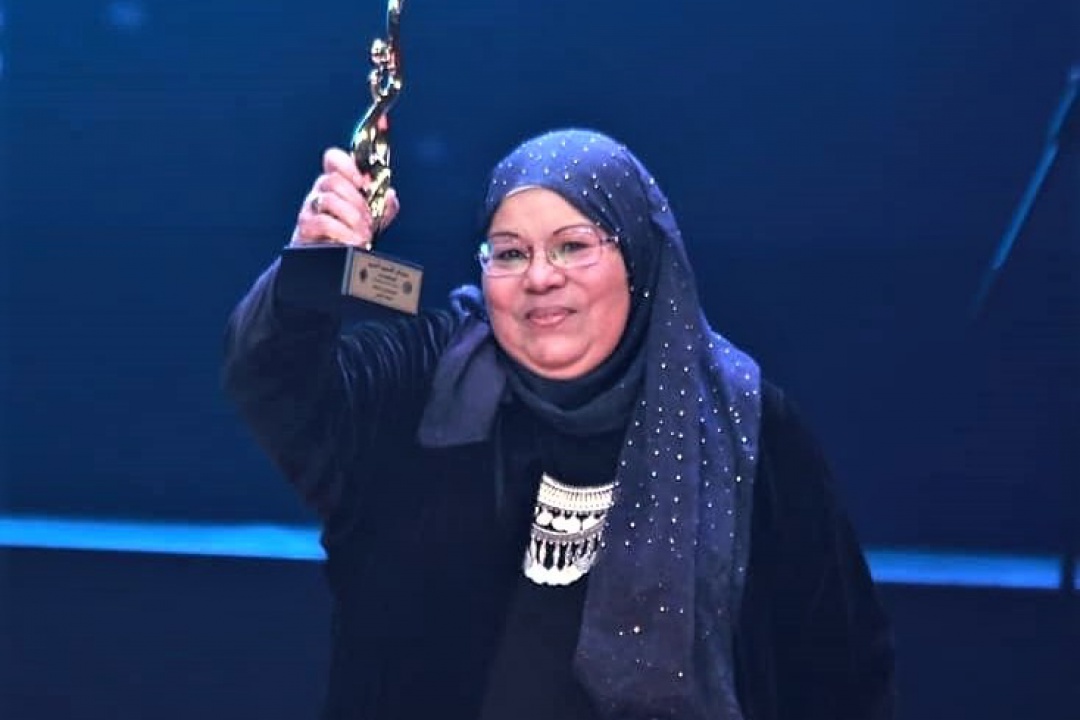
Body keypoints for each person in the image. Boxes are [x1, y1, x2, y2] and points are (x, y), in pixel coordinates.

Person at [222, 128, 896, 720]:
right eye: (510, 253)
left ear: (638, 260)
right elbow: (274, 385)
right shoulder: (426, 381)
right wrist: (309, 268)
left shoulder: (742, 421)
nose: (540, 277)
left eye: (573, 246)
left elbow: (838, 669)